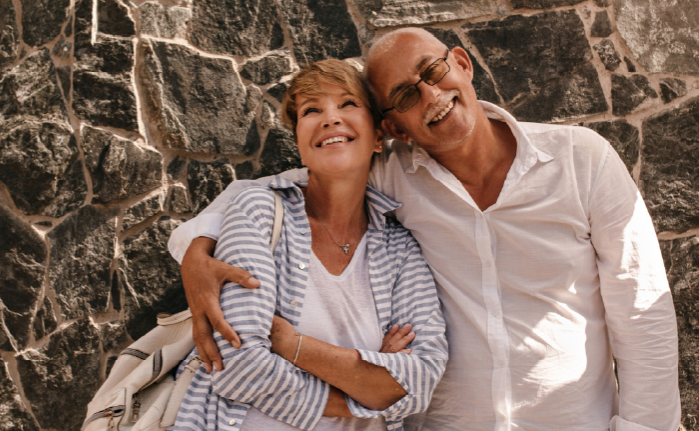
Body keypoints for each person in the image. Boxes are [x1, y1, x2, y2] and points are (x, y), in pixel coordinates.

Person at [169, 28, 680, 431]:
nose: (432, 95)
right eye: (406, 96)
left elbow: (642, 314)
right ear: (391, 127)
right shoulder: (391, 176)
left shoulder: (581, 160)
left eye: (433, 71)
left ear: (462, 62)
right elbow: (293, 185)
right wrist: (195, 250)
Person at [169, 59, 447, 431]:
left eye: (348, 104)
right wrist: (366, 388)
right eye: (312, 110)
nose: (330, 118)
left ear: (379, 136)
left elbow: (419, 383)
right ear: (300, 144)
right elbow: (237, 367)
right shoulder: (259, 210)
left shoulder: (401, 250)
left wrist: (289, 344)